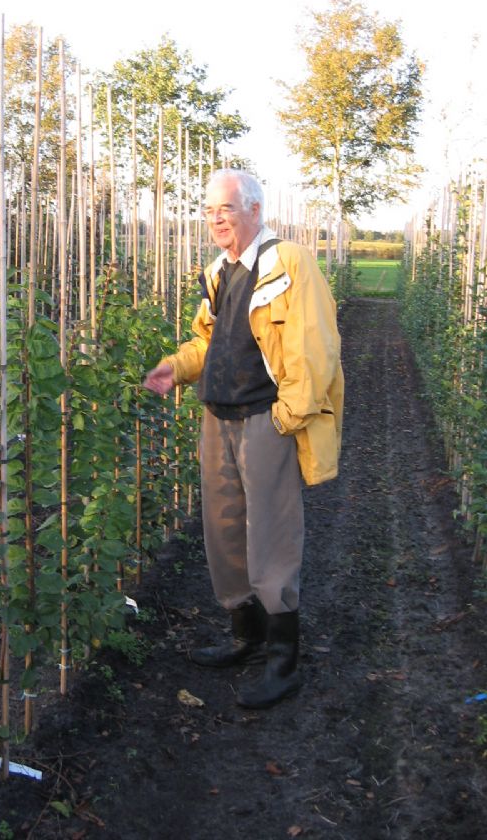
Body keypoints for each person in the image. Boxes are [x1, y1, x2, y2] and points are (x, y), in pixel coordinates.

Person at [144, 168, 343, 708]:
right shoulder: (219, 272)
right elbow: (207, 343)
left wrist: (290, 416)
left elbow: (316, 347)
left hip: (265, 418)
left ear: (255, 209)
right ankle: (246, 636)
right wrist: (175, 367)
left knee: (271, 536)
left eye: (225, 209)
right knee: (225, 529)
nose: (215, 219)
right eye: (209, 211)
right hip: (218, 417)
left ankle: (284, 661)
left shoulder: (289, 264)